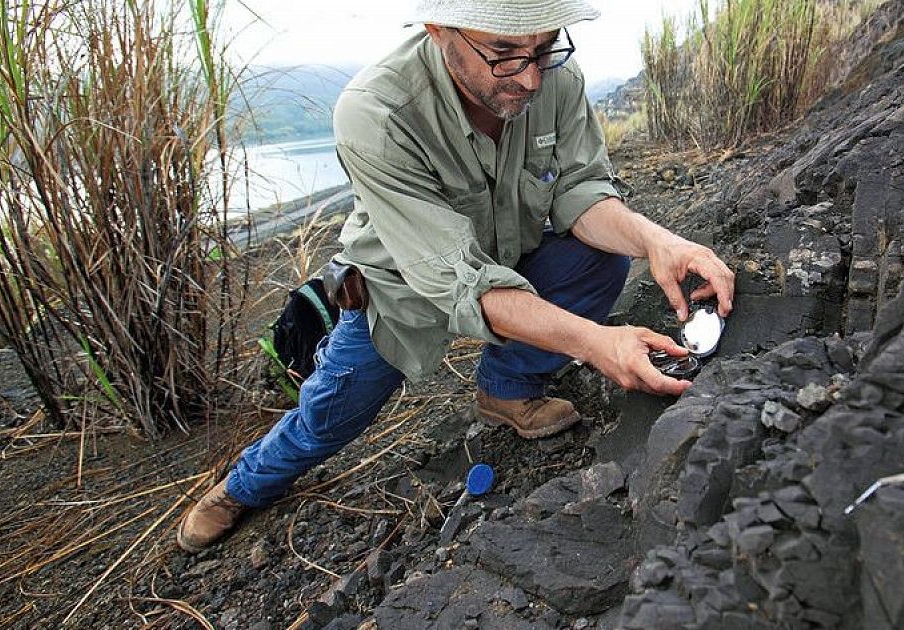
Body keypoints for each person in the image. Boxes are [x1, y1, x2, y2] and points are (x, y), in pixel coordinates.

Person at [176, 0, 735, 554]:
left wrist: (660, 241)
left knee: (602, 258)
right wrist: (597, 345)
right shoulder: (377, 112)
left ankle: (507, 390)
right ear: (440, 30)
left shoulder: (555, 79)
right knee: (329, 417)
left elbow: (579, 191)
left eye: (544, 47)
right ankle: (243, 486)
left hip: (509, 253)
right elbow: (460, 281)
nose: (533, 77)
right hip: (401, 288)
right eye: (505, 53)